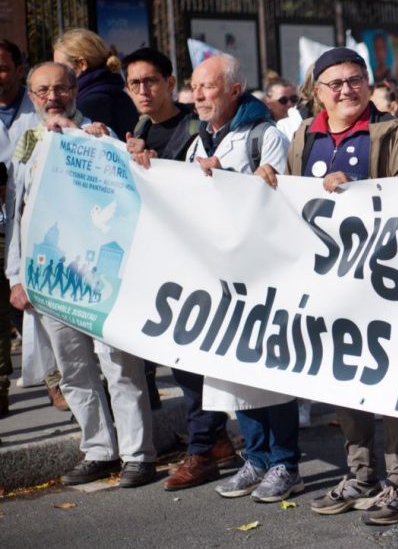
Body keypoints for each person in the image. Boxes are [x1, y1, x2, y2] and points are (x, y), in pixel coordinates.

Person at [264, 47, 398, 524]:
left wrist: (356, 187)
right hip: (332, 285)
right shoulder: (303, 135)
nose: (346, 90)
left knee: (397, 382)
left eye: (354, 80)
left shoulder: (394, 132)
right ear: (317, 92)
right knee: (346, 377)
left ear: (367, 82)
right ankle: (361, 475)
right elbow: (290, 199)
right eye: (334, 83)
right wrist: (268, 181)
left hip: (388, 283)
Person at [7, 62, 157, 488]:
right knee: (73, 370)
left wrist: (99, 141)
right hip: (48, 274)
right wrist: (15, 275)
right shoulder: (28, 139)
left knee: (119, 366)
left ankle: (138, 455)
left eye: (60, 88)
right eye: (41, 91)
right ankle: (99, 450)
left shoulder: (98, 135)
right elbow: (19, 210)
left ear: (75, 90)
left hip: (97, 275)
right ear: (31, 94)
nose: (51, 97)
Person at [119, 47, 241, 490]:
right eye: (134, 84)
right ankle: (216, 442)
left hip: (199, 260)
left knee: (193, 358)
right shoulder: (137, 128)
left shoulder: (198, 126)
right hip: (162, 259)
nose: (143, 90)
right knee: (178, 356)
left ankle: (202, 450)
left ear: (172, 84)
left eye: (151, 80)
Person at [181, 54, 300, 503]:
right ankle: (257, 456)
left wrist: (229, 178)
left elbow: (275, 198)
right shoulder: (199, 139)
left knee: (271, 369)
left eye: (207, 87)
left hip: (263, 273)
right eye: (195, 87)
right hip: (221, 274)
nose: (198, 96)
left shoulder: (263, 135)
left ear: (233, 90)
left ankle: (286, 462)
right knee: (236, 369)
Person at [0, 39, 35, 418]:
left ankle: (57, 381)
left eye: (3, 67)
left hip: (31, 221)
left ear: (19, 69)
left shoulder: (38, 109)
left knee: (35, 302)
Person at [52, 28, 138, 139]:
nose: (57, 72)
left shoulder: (89, 104)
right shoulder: (116, 92)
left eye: (61, 66)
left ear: (82, 64)